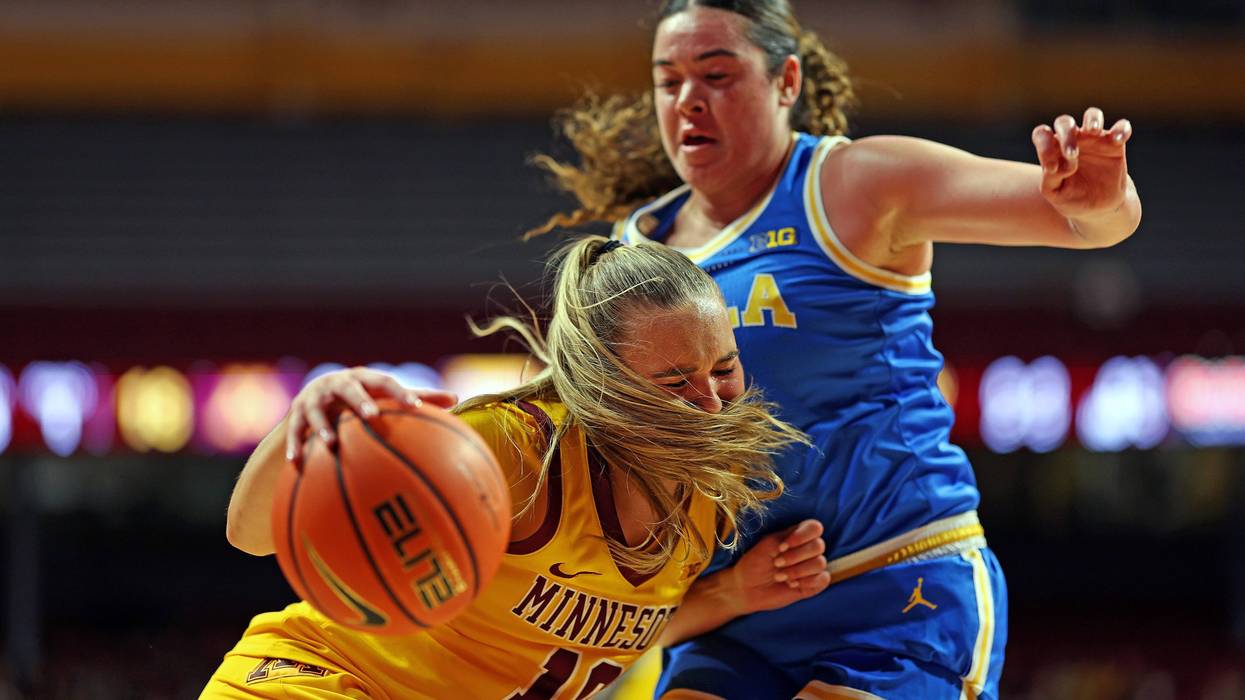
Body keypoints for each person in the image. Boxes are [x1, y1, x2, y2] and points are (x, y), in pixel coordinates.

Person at [529, 2, 1142, 698]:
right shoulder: (633, 255)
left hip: (896, 583)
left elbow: (1082, 219)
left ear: (785, 81)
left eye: (717, 75)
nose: (688, 101)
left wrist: (1099, 195)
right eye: (667, 82)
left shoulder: (852, 185)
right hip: (738, 609)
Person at [202, 236, 833, 699]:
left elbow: (600, 638)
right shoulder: (510, 451)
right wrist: (312, 425)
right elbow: (250, 536)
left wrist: (736, 592)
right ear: (601, 388)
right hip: (316, 683)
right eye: (674, 381)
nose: (712, 399)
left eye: (723, 368)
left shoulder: (709, 501)